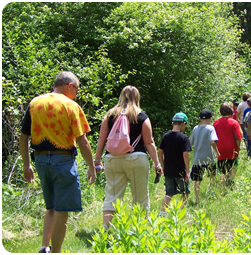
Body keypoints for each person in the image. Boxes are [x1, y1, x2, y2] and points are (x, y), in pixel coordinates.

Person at [19, 71, 96, 253]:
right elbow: (82, 141)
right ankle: (56, 252)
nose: (76, 94)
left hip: (40, 161)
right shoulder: (70, 106)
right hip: (63, 160)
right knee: (62, 210)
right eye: (76, 90)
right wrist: (92, 167)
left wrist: (26, 164)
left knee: (51, 206)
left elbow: (23, 137)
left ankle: (44, 247)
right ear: (69, 86)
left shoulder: (34, 103)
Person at [94, 85, 160, 231]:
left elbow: (101, 139)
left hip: (112, 159)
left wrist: (97, 161)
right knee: (140, 196)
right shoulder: (142, 116)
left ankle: (105, 229)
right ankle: (139, 230)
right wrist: (157, 163)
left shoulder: (110, 115)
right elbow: (149, 142)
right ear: (137, 98)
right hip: (136, 158)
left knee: (112, 195)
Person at [158, 112, 192, 217]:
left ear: (173, 123)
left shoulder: (165, 136)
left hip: (168, 170)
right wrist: (187, 171)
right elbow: (186, 154)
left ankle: (162, 212)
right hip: (180, 171)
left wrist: (163, 166)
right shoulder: (184, 138)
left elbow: (159, 152)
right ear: (183, 124)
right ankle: (182, 212)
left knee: (169, 193)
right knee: (185, 192)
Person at [190, 109, 220, 206]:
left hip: (197, 158)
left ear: (199, 118)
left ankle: (197, 200)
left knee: (197, 180)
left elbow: (192, 142)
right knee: (212, 176)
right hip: (209, 157)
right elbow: (212, 141)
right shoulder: (210, 128)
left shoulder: (195, 128)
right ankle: (209, 192)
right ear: (211, 118)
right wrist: (217, 152)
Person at [213, 103, 242, 189]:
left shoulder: (216, 123)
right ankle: (230, 180)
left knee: (222, 168)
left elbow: (213, 138)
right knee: (233, 165)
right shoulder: (234, 123)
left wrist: (215, 150)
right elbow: (238, 137)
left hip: (220, 148)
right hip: (232, 148)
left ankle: (223, 186)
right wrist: (238, 147)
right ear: (230, 112)